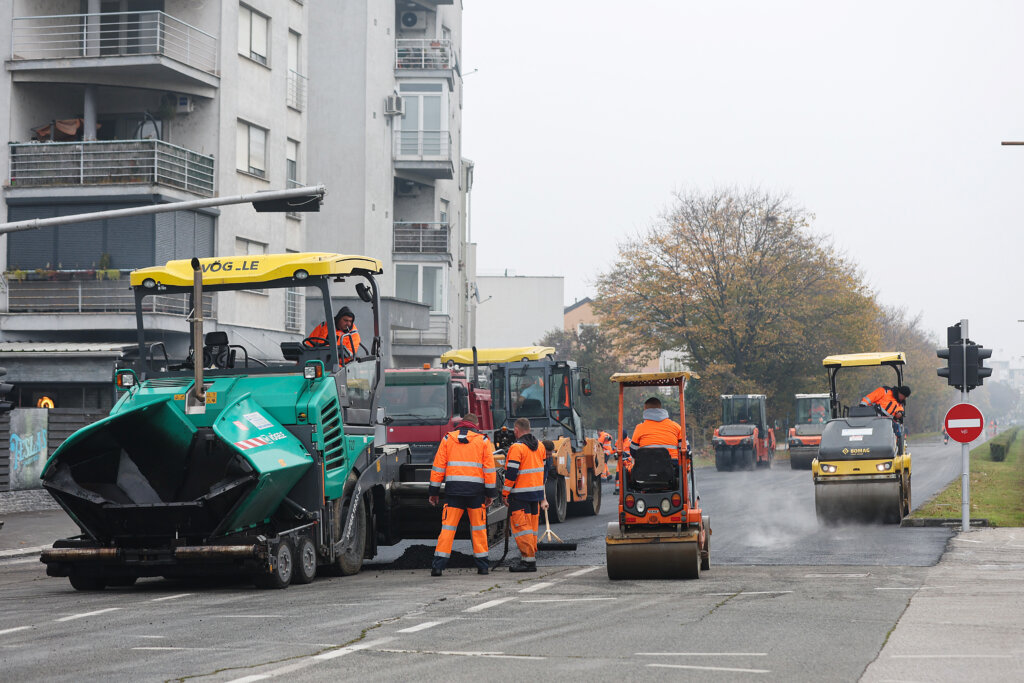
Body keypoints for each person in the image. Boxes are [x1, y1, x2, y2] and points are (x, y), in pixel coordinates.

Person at [428, 413, 496, 576]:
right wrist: (490, 494)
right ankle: (483, 567)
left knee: (448, 529)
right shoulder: (483, 441)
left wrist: (434, 491)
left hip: (454, 492)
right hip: (476, 493)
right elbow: (489, 470)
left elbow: (438, 467)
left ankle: (438, 567)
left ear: (461, 423)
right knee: (479, 529)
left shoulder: (447, 439)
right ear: (475, 425)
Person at [501, 418, 550, 573]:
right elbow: (542, 472)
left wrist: (504, 493)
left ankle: (529, 562)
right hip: (534, 495)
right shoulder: (540, 446)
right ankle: (528, 558)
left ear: (516, 430)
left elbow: (511, 473)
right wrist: (542, 496)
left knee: (522, 529)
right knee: (531, 529)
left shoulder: (516, 448)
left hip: (520, 496)